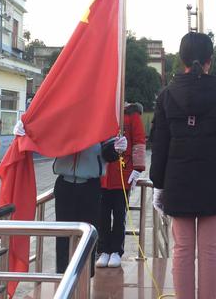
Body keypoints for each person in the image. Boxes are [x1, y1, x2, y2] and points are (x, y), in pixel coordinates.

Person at [150, 32, 216, 299]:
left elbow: (159, 144)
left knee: (181, 248)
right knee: (210, 249)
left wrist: (158, 184)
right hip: (214, 181)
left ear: (180, 58)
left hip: (177, 181)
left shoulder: (167, 95)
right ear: (210, 60)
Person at [53, 136, 127, 275]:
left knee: (88, 235)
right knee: (63, 235)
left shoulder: (100, 121)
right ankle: (62, 278)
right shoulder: (65, 118)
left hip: (90, 185)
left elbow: (108, 153)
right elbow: (48, 139)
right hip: (64, 183)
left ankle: (85, 279)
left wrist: (117, 148)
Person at [96, 102, 146, 268]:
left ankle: (116, 250)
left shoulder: (131, 115)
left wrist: (138, 168)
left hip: (123, 174)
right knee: (102, 215)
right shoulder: (101, 112)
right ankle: (103, 249)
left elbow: (139, 141)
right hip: (101, 175)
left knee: (119, 215)